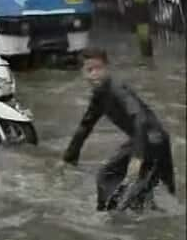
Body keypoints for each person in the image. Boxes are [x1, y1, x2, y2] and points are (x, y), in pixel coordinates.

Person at [62, 47, 176, 211]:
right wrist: (68, 160)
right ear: (82, 73)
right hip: (141, 141)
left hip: (153, 142)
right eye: (89, 70)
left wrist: (137, 157)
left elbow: (140, 118)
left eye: (98, 68)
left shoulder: (117, 89)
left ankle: (128, 219)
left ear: (107, 68)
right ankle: (106, 215)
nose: (94, 74)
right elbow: (85, 126)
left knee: (137, 197)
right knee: (105, 177)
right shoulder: (99, 95)